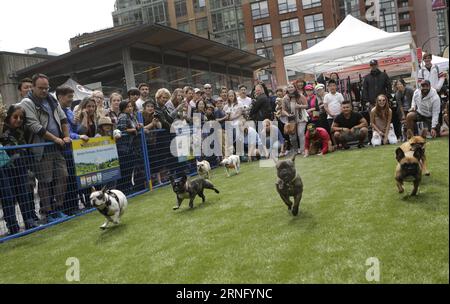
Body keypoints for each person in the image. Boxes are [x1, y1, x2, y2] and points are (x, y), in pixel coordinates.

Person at [19, 73, 71, 222]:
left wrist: (65, 136)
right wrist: (56, 139)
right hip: (41, 148)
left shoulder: (51, 99)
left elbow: (63, 119)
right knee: (45, 181)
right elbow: (35, 126)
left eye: (46, 88)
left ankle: (58, 208)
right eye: (41, 88)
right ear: (33, 87)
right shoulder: (27, 102)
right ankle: (47, 212)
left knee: (63, 176)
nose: (44, 91)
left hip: (57, 147)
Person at [0, 105, 40, 234]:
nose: (18, 120)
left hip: (22, 167)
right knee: (9, 198)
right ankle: (13, 227)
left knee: (25, 195)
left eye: (21, 118)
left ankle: (29, 221)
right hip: (6, 169)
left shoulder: (23, 131)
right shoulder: (2, 129)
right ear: (8, 117)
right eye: (15, 117)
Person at [282, 83, 309, 154]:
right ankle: (296, 150)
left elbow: (306, 105)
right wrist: (287, 114)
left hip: (301, 117)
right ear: (287, 89)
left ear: (294, 88)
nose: (290, 88)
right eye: (289, 87)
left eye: (292, 87)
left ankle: (303, 150)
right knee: (292, 137)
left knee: (300, 133)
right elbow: (283, 110)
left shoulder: (300, 95)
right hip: (291, 119)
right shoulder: (285, 98)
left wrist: (299, 106)